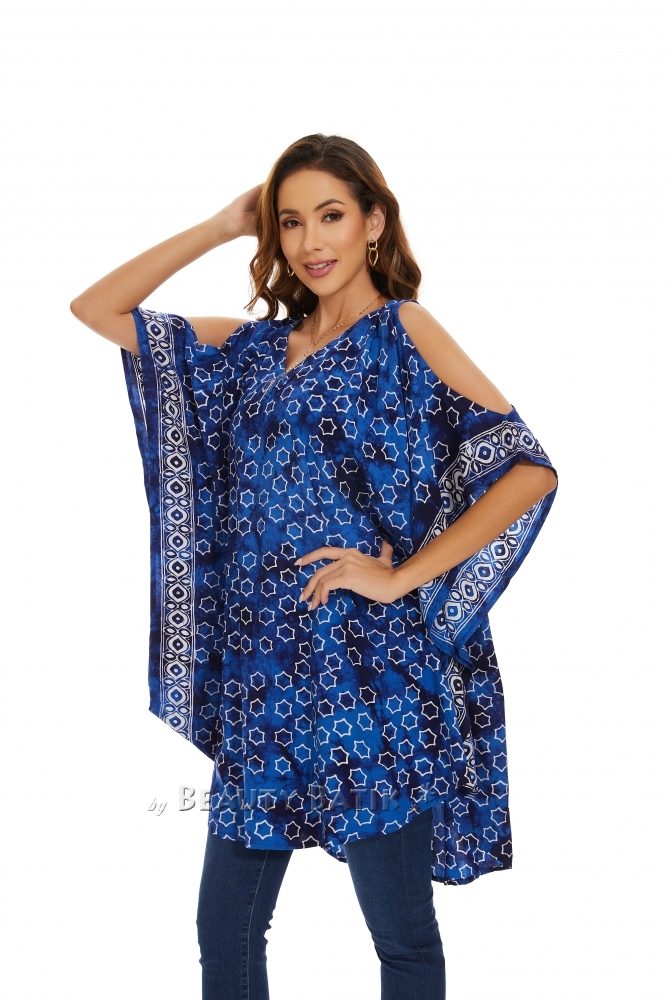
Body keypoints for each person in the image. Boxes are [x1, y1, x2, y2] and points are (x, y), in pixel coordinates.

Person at [71, 133, 557, 1000]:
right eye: (290, 222)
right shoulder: (253, 352)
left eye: (330, 215)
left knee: (400, 937)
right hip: (263, 677)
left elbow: (525, 468)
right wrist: (223, 224)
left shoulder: (403, 331)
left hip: (367, 675)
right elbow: (97, 310)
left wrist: (400, 577)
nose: (309, 241)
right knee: (224, 933)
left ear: (373, 222)